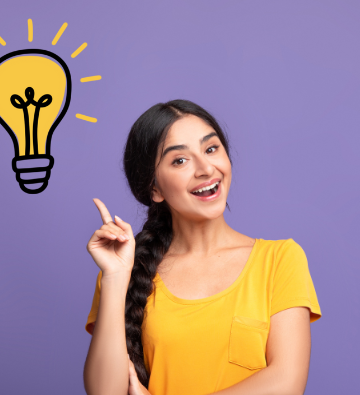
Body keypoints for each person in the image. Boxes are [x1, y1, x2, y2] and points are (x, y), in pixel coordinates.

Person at [82, 100, 321, 395]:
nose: (206, 168)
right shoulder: (127, 270)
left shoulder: (280, 259)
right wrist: (117, 278)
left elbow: (287, 383)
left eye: (211, 149)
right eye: (180, 160)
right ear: (154, 189)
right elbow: (105, 393)